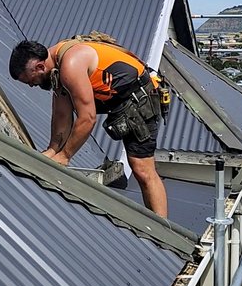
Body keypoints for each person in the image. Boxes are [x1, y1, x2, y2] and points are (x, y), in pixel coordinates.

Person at [9, 37, 168, 218]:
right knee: (140, 168)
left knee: (141, 168)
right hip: (119, 101)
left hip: (140, 96)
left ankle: (162, 226)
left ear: (39, 67)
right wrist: (51, 151)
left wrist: (64, 157)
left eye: (31, 81)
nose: (32, 86)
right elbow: (62, 116)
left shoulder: (71, 65)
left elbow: (87, 118)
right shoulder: (55, 67)